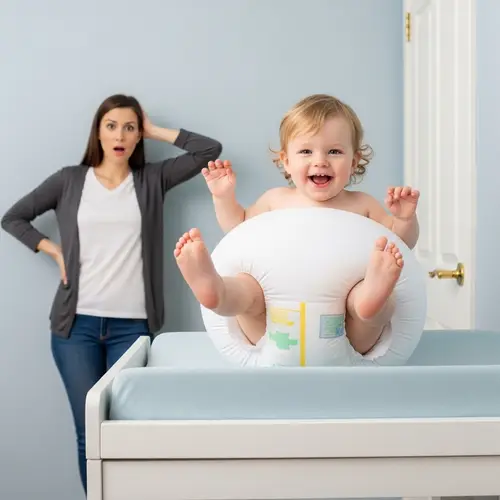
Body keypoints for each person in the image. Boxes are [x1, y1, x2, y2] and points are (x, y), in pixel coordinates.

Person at [1, 93, 223, 494]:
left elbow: (209, 150)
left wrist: (155, 129)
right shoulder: (69, 181)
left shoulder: (152, 179)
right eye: (111, 125)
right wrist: (51, 249)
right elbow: (12, 217)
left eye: (130, 127)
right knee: (91, 434)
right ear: (97, 132)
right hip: (75, 328)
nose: (120, 134)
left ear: (139, 135)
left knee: (129, 432)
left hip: (132, 329)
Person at [173, 93, 420, 356]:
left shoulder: (362, 205)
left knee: (371, 303)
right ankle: (218, 292)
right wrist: (223, 197)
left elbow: (400, 243)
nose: (320, 160)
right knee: (248, 291)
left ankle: (371, 300)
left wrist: (404, 219)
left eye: (334, 151)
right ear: (287, 161)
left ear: (354, 161)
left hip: (347, 331)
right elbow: (238, 229)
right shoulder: (276, 200)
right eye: (306, 151)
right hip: (275, 321)